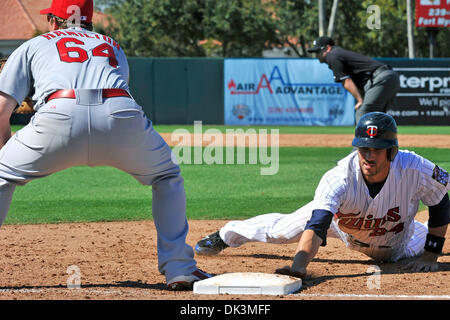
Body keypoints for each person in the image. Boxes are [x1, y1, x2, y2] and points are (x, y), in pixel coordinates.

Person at [0, 0, 209, 290]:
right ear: (90, 21)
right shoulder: (112, 45)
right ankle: (180, 269)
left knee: (0, 175)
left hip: (60, 113)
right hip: (119, 113)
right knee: (167, 175)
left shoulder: (34, 45)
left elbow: (1, 110)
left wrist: (7, 155)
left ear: (52, 19)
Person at [195, 112, 449, 279]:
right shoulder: (338, 178)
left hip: (396, 239)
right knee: (282, 231)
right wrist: (298, 268)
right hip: (340, 223)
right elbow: (317, 226)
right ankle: (226, 235)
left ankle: (421, 235)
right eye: (364, 149)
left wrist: (431, 254)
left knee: (417, 241)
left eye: (377, 149)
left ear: (392, 151)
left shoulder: (416, 168)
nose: (369, 156)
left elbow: (441, 202)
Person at [307, 36, 400, 124]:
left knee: (363, 113)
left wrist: (360, 100)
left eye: (318, 51)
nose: (317, 55)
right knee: (377, 117)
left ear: (327, 48)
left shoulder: (332, 56)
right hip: (389, 77)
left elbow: (346, 82)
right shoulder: (338, 53)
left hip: (381, 78)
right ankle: (383, 140)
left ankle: (363, 141)